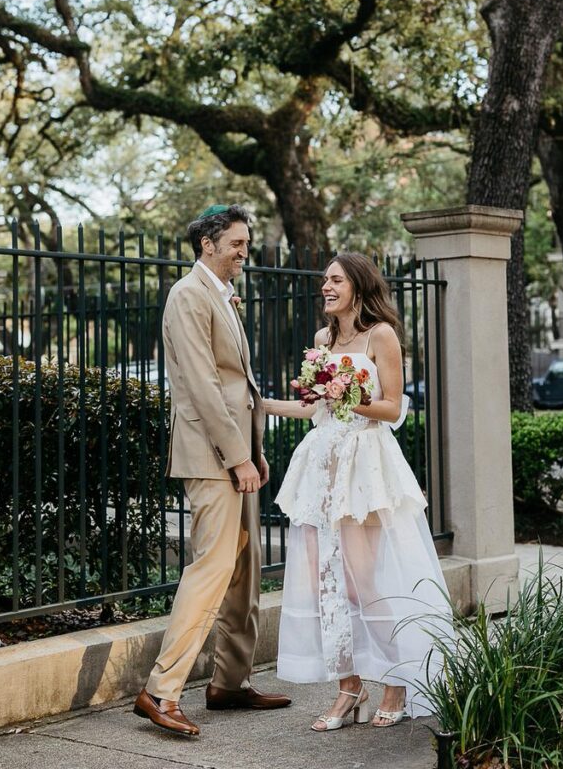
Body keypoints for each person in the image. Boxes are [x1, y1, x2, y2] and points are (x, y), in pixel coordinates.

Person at [265, 253, 453, 731]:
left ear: (357, 285)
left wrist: (346, 396)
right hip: (323, 465)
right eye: (324, 280)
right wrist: (260, 402)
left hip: (364, 466)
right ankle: (349, 686)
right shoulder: (322, 340)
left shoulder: (381, 335)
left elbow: (392, 408)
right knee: (322, 578)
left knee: (361, 582)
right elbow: (314, 412)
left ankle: (396, 681)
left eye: (335, 279)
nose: (325, 286)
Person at [134, 204, 291, 737]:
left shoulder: (223, 296)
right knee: (212, 568)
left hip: (238, 453)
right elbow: (201, 385)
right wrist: (237, 455)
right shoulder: (188, 294)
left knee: (244, 578)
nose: (244, 252)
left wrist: (256, 449)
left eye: (246, 244)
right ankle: (160, 691)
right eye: (237, 243)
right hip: (211, 456)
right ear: (208, 244)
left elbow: (237, 386)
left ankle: (229, 683)